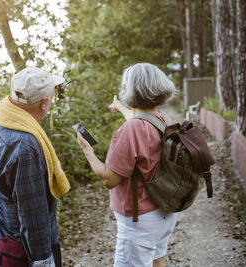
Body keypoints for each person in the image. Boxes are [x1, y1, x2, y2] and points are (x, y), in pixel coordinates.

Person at [76, 63, 178, 267]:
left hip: (140, 221)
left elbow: (108, 179)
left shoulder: (131, 129)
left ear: (130, 90)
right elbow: (139, 120)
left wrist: (87, 150)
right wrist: (122, 108)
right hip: (165, 213)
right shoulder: (164, 120)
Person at [0, 67, 70, 267]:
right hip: (24, 250)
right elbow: (33, 215)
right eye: (50, 96)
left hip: (4, 235)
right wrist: (43, 261)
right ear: (44, 103)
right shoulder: (25, 146)